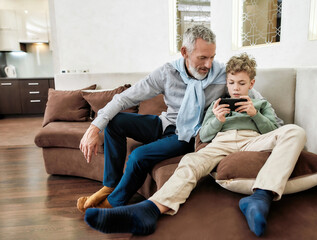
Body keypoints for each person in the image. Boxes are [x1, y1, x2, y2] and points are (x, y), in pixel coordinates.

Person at [83, 53, 306, 237]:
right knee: (190, 161)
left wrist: (255, 114)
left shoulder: (261, 104)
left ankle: (261, 197)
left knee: (296, 131)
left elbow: (276, 130)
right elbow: (204, 135)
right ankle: (149, 210)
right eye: (231, 83)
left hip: (254, 140)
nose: (236, 89)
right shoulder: (216, 104)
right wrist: (217, 120)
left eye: (241, 83)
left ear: (251, 84)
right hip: (222, 142)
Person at [77, 25, 282, 217]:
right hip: (165, 123)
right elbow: (125, 98)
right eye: (202, 58)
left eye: (212, 57)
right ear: (184, 52)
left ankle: (113, 202)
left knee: (139, 155)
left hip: (188, 134)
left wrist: (278, 128)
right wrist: (94, 127)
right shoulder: (167, 73)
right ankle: (110, 185)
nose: (208, 64)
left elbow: (253, 96)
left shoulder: (222, 74)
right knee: (115, 122)